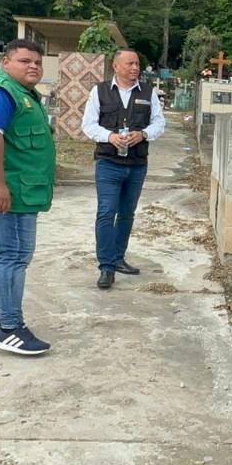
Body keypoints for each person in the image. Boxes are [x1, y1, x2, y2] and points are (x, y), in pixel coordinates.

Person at [0, 39, 57, 356]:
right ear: (5, 63)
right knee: (14, 257)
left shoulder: (23, 94)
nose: (33, 66)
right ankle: (10, 328)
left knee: (2, 256)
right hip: (10, 194)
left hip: (21, 192)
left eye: (37, 61)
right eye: (24, 60)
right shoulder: (0, 92)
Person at [81, 48, 166, 289]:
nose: (135, 68)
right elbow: (88, 124)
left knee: (127, 213)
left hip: (137, 165)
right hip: (108, 163)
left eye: (137, 63)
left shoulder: (148, 93)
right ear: (116, 66)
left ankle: (118, 258)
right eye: (130, 63)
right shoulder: (99, 91)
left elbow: (159, 122)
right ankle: (106, 267)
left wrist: (144, 134)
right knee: (106, 213)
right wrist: (110, 137)